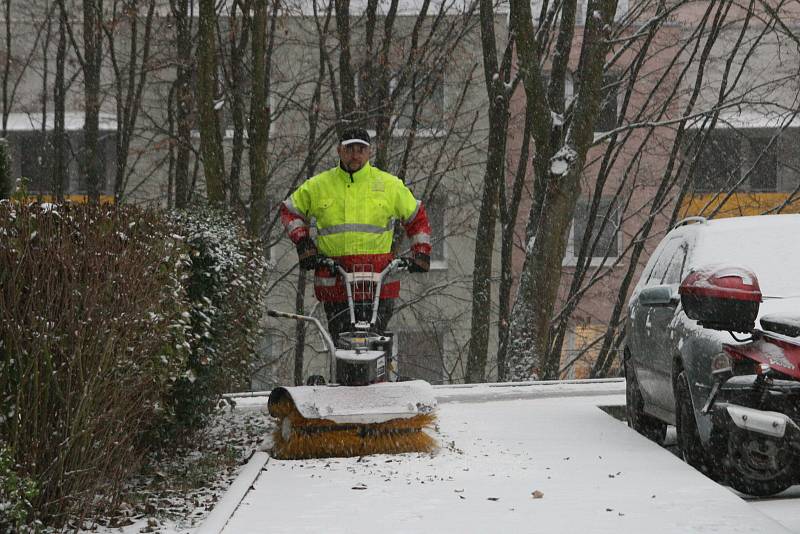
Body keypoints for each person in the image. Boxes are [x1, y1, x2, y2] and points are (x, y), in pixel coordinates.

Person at [279, 127, 432, 341]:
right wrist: (303, 242)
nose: (355, 155)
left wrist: (422, 252)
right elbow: (289, 210)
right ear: (339, 151)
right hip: (336, 282)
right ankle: (344, 374)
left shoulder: (389, 186)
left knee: (374, 342)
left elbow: (417, 217)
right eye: (350, 149)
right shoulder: (319, 186)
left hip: (379, 283)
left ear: (369, 152)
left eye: (361, 149)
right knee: (342, 343)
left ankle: (378, 372)